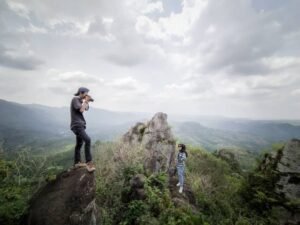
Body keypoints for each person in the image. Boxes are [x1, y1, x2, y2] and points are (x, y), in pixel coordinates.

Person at [70, 87, 95, 172]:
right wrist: (86, 101)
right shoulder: (75, 99)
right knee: (88, 140)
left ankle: (77, 162)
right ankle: (89, 163)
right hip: (77, 125)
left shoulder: (80, 101)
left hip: (79, 125)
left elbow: (86, 108)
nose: (86, 95)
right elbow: (81, 110)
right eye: (86, 93)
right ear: (81, 92)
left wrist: (88, 101)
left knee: (79, 144)